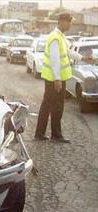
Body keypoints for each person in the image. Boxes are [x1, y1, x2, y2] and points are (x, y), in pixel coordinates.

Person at [34, 12, 94, 143]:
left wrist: (83, 58)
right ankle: (55, 135)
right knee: (55, 106)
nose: (71, 24)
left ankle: (41, 134)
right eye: (70, 21)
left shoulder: (60, 37)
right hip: (55, 79)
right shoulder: (55, 37)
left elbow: (69, 53)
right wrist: (57, 79)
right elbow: (55, 60)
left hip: (55, 78)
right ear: (62, 22)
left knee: (48, 105)